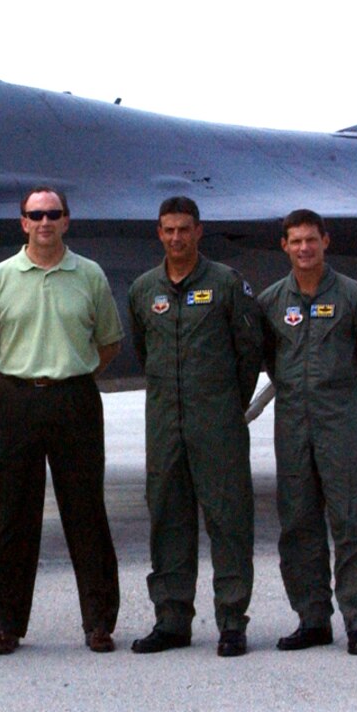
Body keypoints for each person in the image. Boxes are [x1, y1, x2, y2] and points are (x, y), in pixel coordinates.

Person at [0, 186, 125, 655]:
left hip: (74, 399)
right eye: (35, 215)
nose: (44, 222)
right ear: (23, 222)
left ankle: (99, 623)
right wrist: (19, 377)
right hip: (17, 399)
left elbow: (109, 341)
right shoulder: (0, 277)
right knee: (12, 516)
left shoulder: (89, 275)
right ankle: (7, 624)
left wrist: (72, 374)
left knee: (86, 513)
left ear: (66, 220)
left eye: (52, 214)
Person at [125, 196, 265, 658]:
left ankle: (232, 621)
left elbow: (249, 351)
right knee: (168, 520)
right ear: (159, 233)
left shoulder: (226, 284)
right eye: (168, 230)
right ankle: (171, 620)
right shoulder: (144, 289)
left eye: (184, 229)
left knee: (228, 520)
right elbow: (144, 351)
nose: (176, 238)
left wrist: (225, 404)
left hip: (217, 423)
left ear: (198, 231)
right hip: (165, 423)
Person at [256, 208, 357, 657]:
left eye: (311, 239)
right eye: (295, 241)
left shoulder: (353, 296)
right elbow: (268, 357)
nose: (304, 248)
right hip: (293, 423)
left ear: (325, 241)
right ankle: (312, 619)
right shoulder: (273, 301)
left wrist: (347, 397)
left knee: (351, 521)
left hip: (341, 424)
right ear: (284, 246)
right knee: (298, 524)